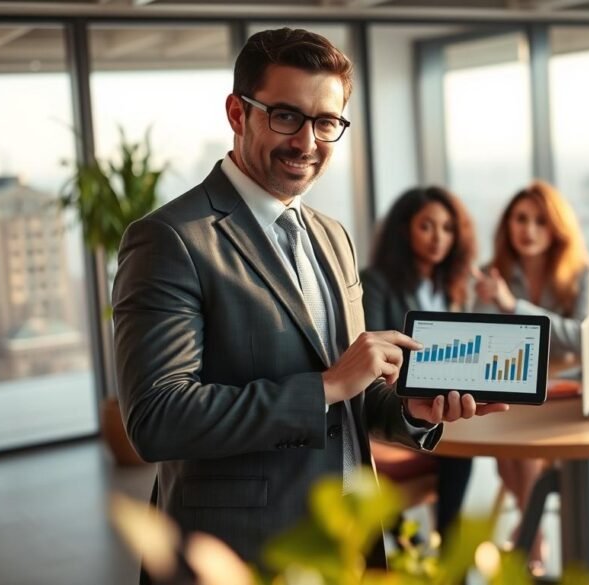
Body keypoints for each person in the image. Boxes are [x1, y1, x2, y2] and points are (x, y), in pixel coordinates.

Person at [111, 28, 507, 573]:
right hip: (241, 551)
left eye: (326, 122)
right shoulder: (171, 238)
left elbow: (348, 399)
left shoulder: (332, 235)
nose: (307, 142)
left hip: (349, 543)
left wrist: (409, 411)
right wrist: (328, 386)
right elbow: (157, 419)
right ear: (237, 112)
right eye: (285, 116)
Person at [473, 180, 589, 569]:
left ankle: (528, 534)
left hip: (567, 392)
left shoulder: (584, 273)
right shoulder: (490, 274)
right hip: (514, 386)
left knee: (515, 447)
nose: (528, 230)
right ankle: (533, 531)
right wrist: (489, 305)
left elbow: (581, 338)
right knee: (509, 439)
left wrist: (514, 306)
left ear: (557, 228)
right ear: (508, 225)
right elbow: (483, 342)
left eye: (540, 221)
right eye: (520, 219)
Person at [360, 185, 478, 541]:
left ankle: (443, 556)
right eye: (426, 226)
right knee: (456, 454)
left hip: (442, 410)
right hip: (394, 413)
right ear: (403, 230)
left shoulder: (452, 287)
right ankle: (428, 553)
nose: (438, 238)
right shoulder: (376, 283)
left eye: (446, 228)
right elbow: (373, 358)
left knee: (459, 450)